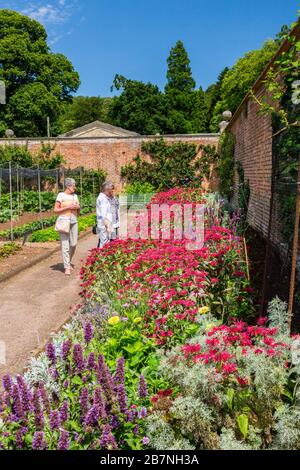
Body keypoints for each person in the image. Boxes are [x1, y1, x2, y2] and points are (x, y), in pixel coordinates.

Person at [54, 178, 80, 276]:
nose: (75, 187)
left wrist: (77, 207)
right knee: (65, 245)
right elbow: (56, 210)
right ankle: (67, 267)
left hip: (74, 221)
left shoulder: (75, 196)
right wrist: (68, 207)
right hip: (63, 222)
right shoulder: (61, 195)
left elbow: (78, 207)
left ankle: (68, 261)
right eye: (73, 186)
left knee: (73, 244)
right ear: (68, 186)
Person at [96, 181, 119, 248]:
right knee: (104, 242)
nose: (112, 191)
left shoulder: (106, 197)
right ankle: (101, 256)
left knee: (106, 241)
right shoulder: (103, 199)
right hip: (105, 223)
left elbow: (116, 204)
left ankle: (103, 255)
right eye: (111, 190)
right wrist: (107, 225)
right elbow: (103, 214)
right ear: (107, 189)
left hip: (108, 222)